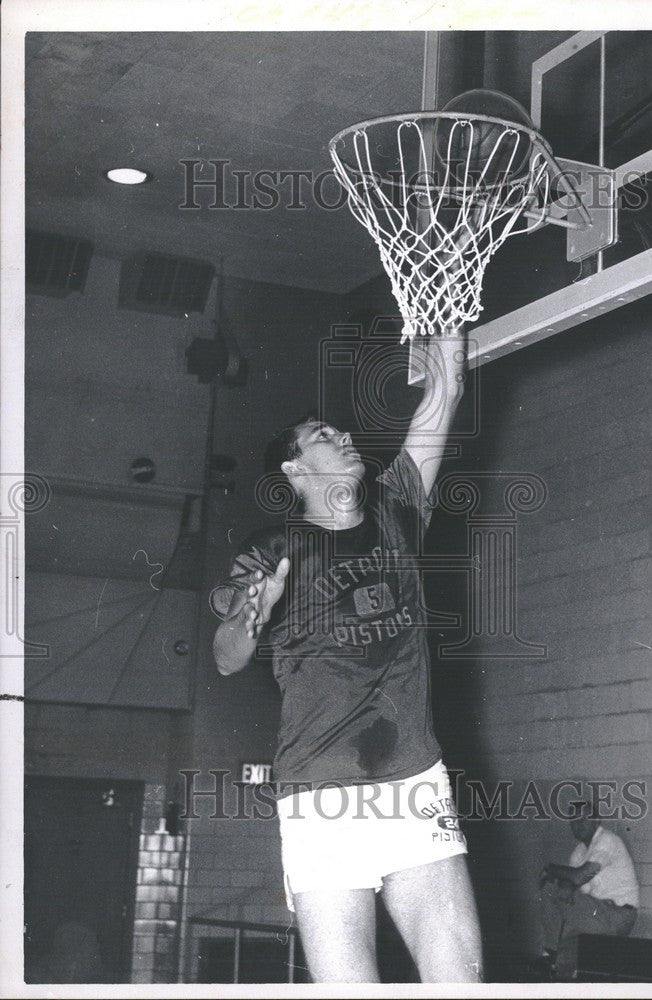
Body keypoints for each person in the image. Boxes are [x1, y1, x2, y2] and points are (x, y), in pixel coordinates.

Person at [211, 328, 482, 983]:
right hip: (319, 794)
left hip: (415, 780)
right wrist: (251, 614)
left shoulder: (397, 506)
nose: (343, 437)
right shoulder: (274, 546)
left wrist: (443, 313)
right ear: (293, 469)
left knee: (462, 983)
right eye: (321, 436)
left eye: (341, 431)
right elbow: (225, 656)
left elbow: (443, 396)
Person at [534, 807, 639, 980]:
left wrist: (550, 869)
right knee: (562, 969)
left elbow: (581, 875)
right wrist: (567, 884)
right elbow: (573, 883)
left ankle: (549, 953)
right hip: (595, 914)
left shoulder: (607, 840)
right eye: (573, 820)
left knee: (550, 888)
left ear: (596, 820)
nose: (578, 824)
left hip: (618, 915)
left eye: (583, 819)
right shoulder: (579, 852)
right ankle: (558, 966)